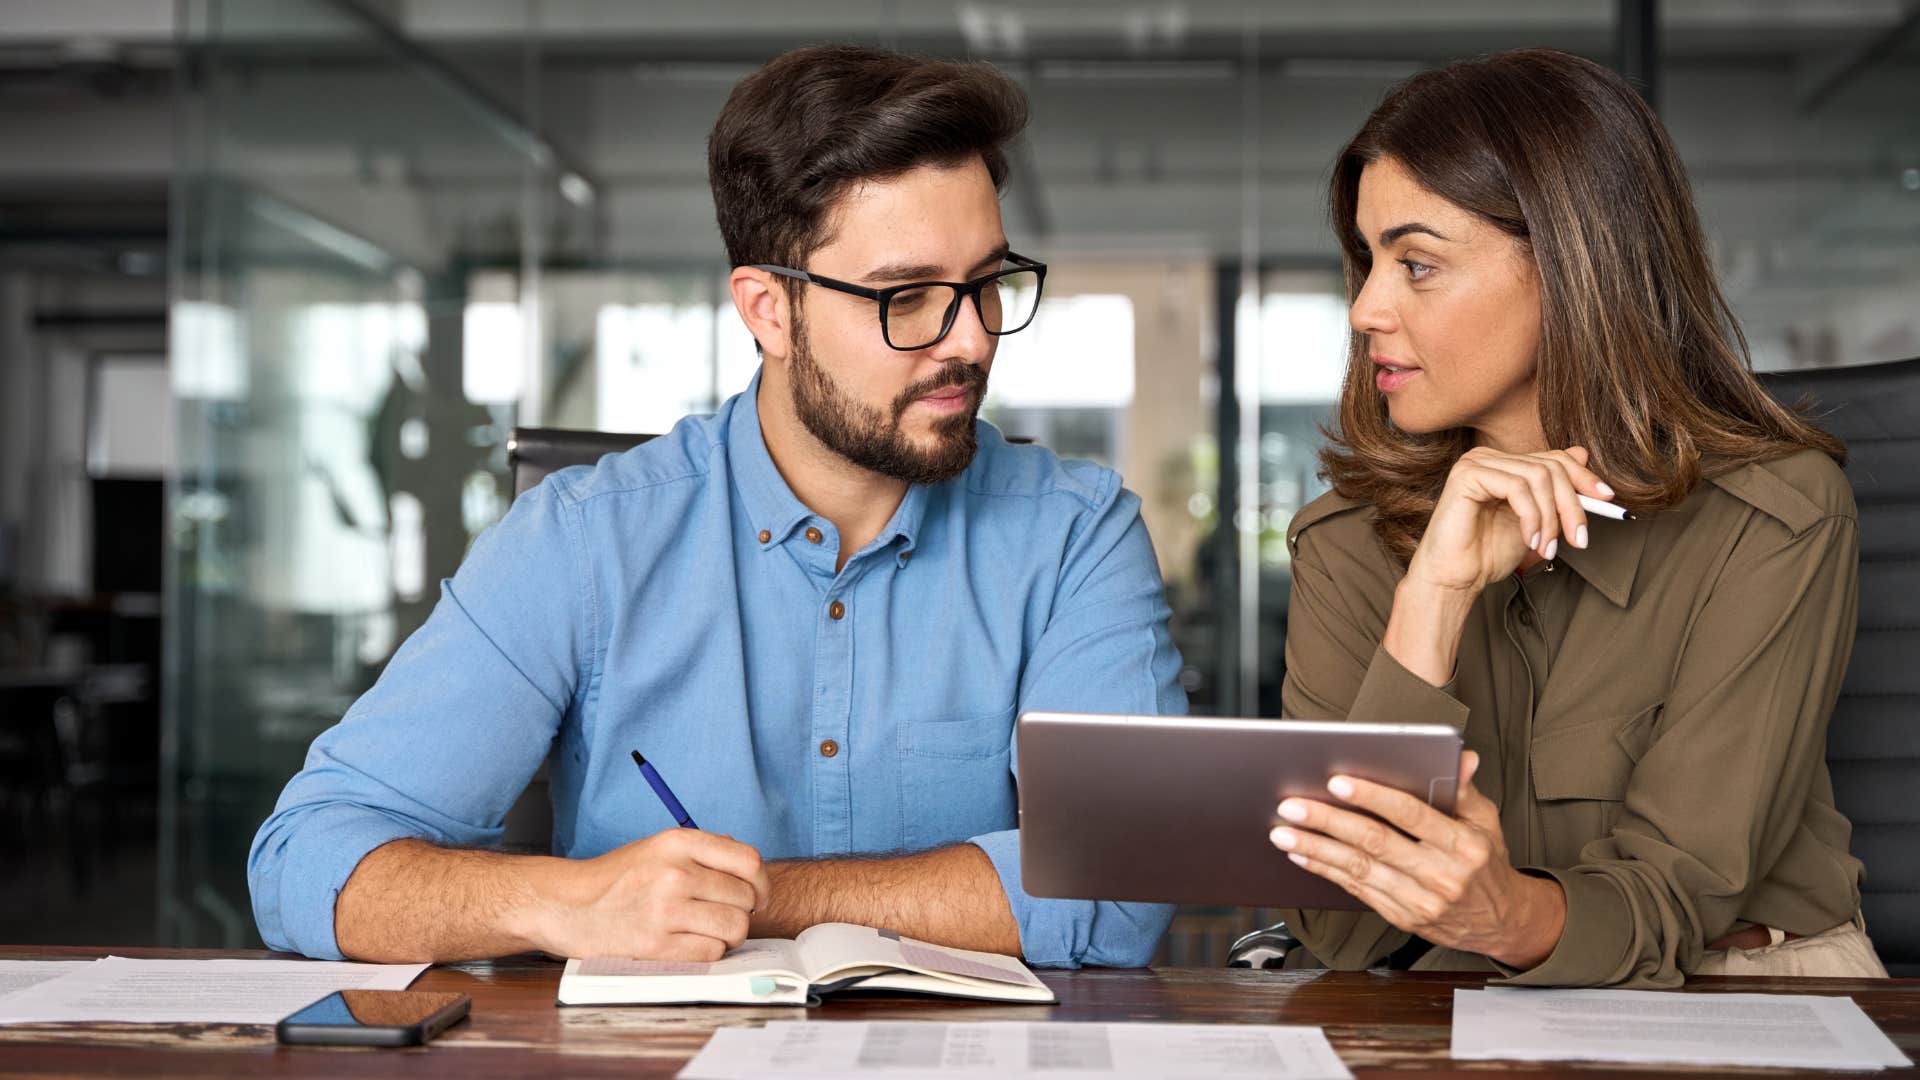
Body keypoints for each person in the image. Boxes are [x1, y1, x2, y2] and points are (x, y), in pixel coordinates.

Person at [248, 44, 1185, 968]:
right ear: (768, 310)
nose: (971, 339)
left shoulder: (1074, 535)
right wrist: (570, 901)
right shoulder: (584, 541)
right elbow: (309, 861)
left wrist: (750, 898)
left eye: (986, 284)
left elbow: (1126, 874)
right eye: (908, 296)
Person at [1265, 48, 1887, 987]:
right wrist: (1433, 598)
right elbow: (1341, 934)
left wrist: (1507, 915)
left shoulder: (1775, 517)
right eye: (1366, 262)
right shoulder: (1347, 541)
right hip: (1449, 994)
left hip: (1748, 983)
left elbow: (1685, 891)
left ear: (1570, 262)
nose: (1364, 309)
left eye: (1417, 265)